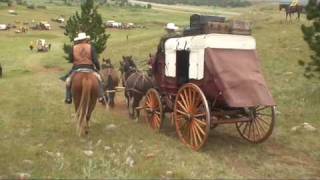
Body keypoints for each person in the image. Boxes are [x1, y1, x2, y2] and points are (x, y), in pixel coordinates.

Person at [62, 32, 104, 104]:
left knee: (68, 81)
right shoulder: (91, 47)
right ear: (85, 39)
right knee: (99, 79)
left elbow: (71, 59)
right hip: (89, 68)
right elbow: (95, 60)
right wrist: (98, 68)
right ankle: (100, 96)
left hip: (77, 68)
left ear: (78, 40)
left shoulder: (74, 47)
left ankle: (68, 97)